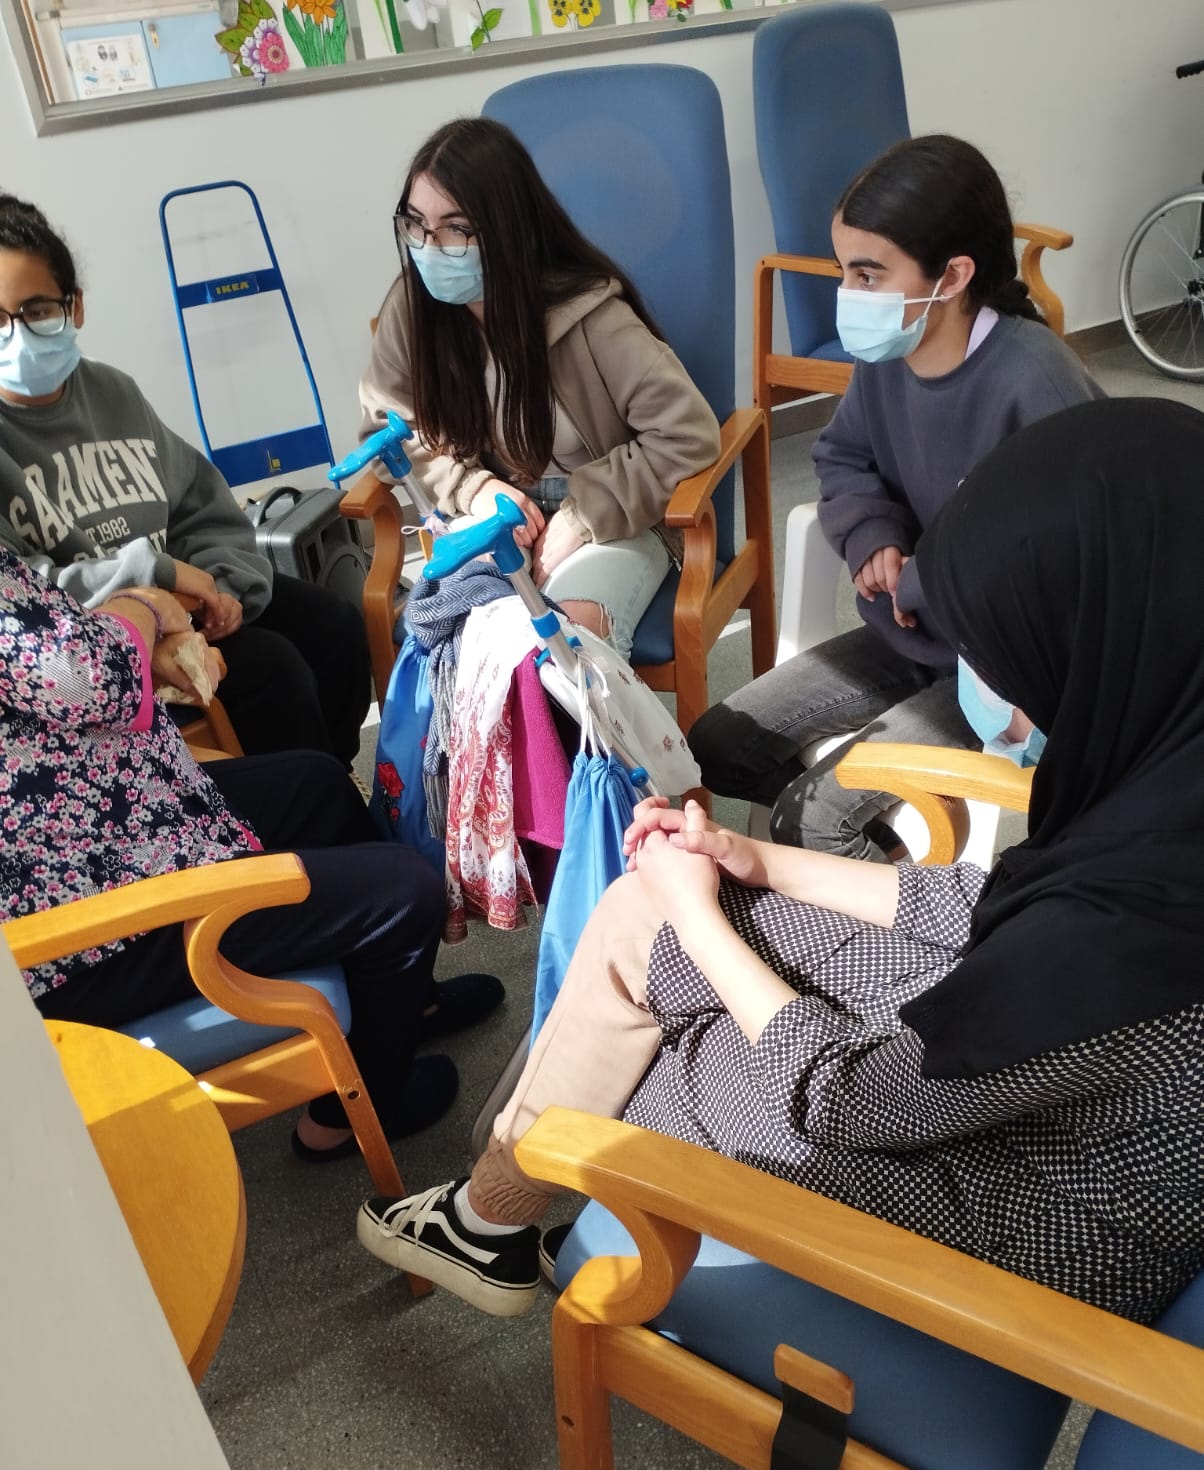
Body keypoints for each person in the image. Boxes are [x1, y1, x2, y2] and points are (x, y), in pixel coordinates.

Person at [356, 397, 1204, 1324]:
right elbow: (988, 900)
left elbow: (850, 1101)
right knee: (654, 931)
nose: (976, 681)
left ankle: (513, 1216)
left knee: (647, 1043)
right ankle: (498, 1213)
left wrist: (701, 919)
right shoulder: (1162, 796)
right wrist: (753, 858)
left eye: (992, 653)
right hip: (1034, 1109)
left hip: (1022, 1237)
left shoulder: (1120, 941)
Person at [0, 546, 504, 1159]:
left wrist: (138, 638)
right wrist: (142, 603)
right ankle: (348, 1117)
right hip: (78, 930)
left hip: (110, 825)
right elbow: (87, 680)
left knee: (320, 786)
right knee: (405, 893)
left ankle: (402, 1012)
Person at [687, 135, 1102, 858]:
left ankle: (892, 904)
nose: (848, 296)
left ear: (954, 275)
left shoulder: (1036, 384)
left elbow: (1072, 563)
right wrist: (871, 532)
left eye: (868, 274)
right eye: (845, 271)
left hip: (1007, 672)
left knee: (808, 824)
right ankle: (890, 866)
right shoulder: (892, 354)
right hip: (916, 636)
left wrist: (917, 580)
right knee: (718, 746)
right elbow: (842, 454)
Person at [0, 193, 371, 766]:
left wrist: (223, 584)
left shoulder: (112, 392)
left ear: (75, 306)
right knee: (277, 674)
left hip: (193, 602)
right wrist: (159, 581)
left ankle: (340, 778)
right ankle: (305, 808)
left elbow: (199, 504)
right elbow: (26, 595)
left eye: (38, 310)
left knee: (336, 626)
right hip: (107, 642)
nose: (18, 336)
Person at [359, 117, 721, 661]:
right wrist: (475, 489)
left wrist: (581, 515)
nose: (429, 247)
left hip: (613, 518)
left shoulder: (592, 317)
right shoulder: (412, 309)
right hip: (494, 512)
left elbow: (688, 435)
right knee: (466, 643)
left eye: (455, 228)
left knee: (562, 648)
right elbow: (385, 433)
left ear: (508, 229)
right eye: (416, 224)